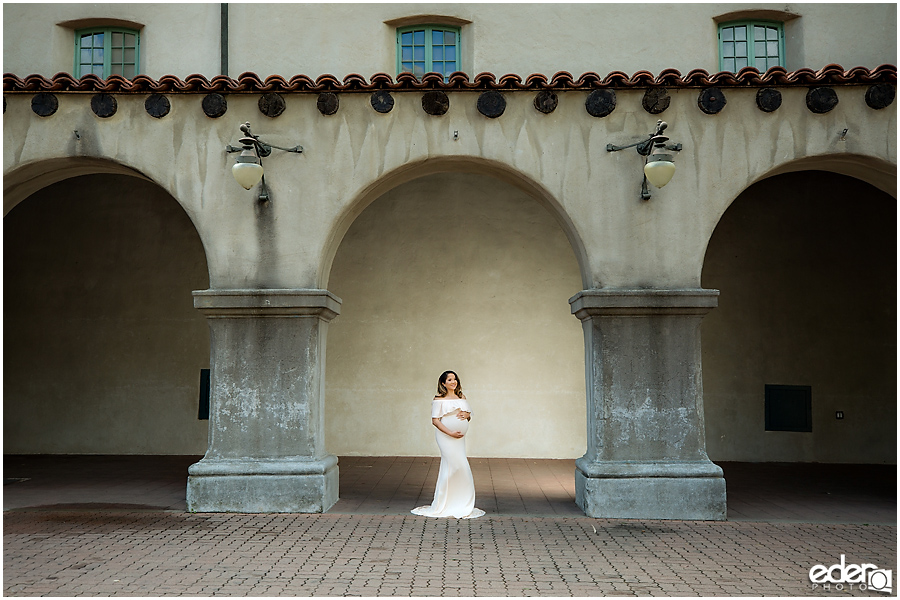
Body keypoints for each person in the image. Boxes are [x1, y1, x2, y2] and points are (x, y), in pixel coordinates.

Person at [411, 371, 485, 519]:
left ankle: (461, 501)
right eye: (450, 379)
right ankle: (446, 502)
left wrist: (467, 415)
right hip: (446, 437)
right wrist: (450, 433)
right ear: (443, 383)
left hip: (459, 439)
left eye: (455, 379)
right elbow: (435, 420)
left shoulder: (461, 397)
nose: (453, 381)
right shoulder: (439, 399)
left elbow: (467, 415)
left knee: (459, 466)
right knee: (455, 466)